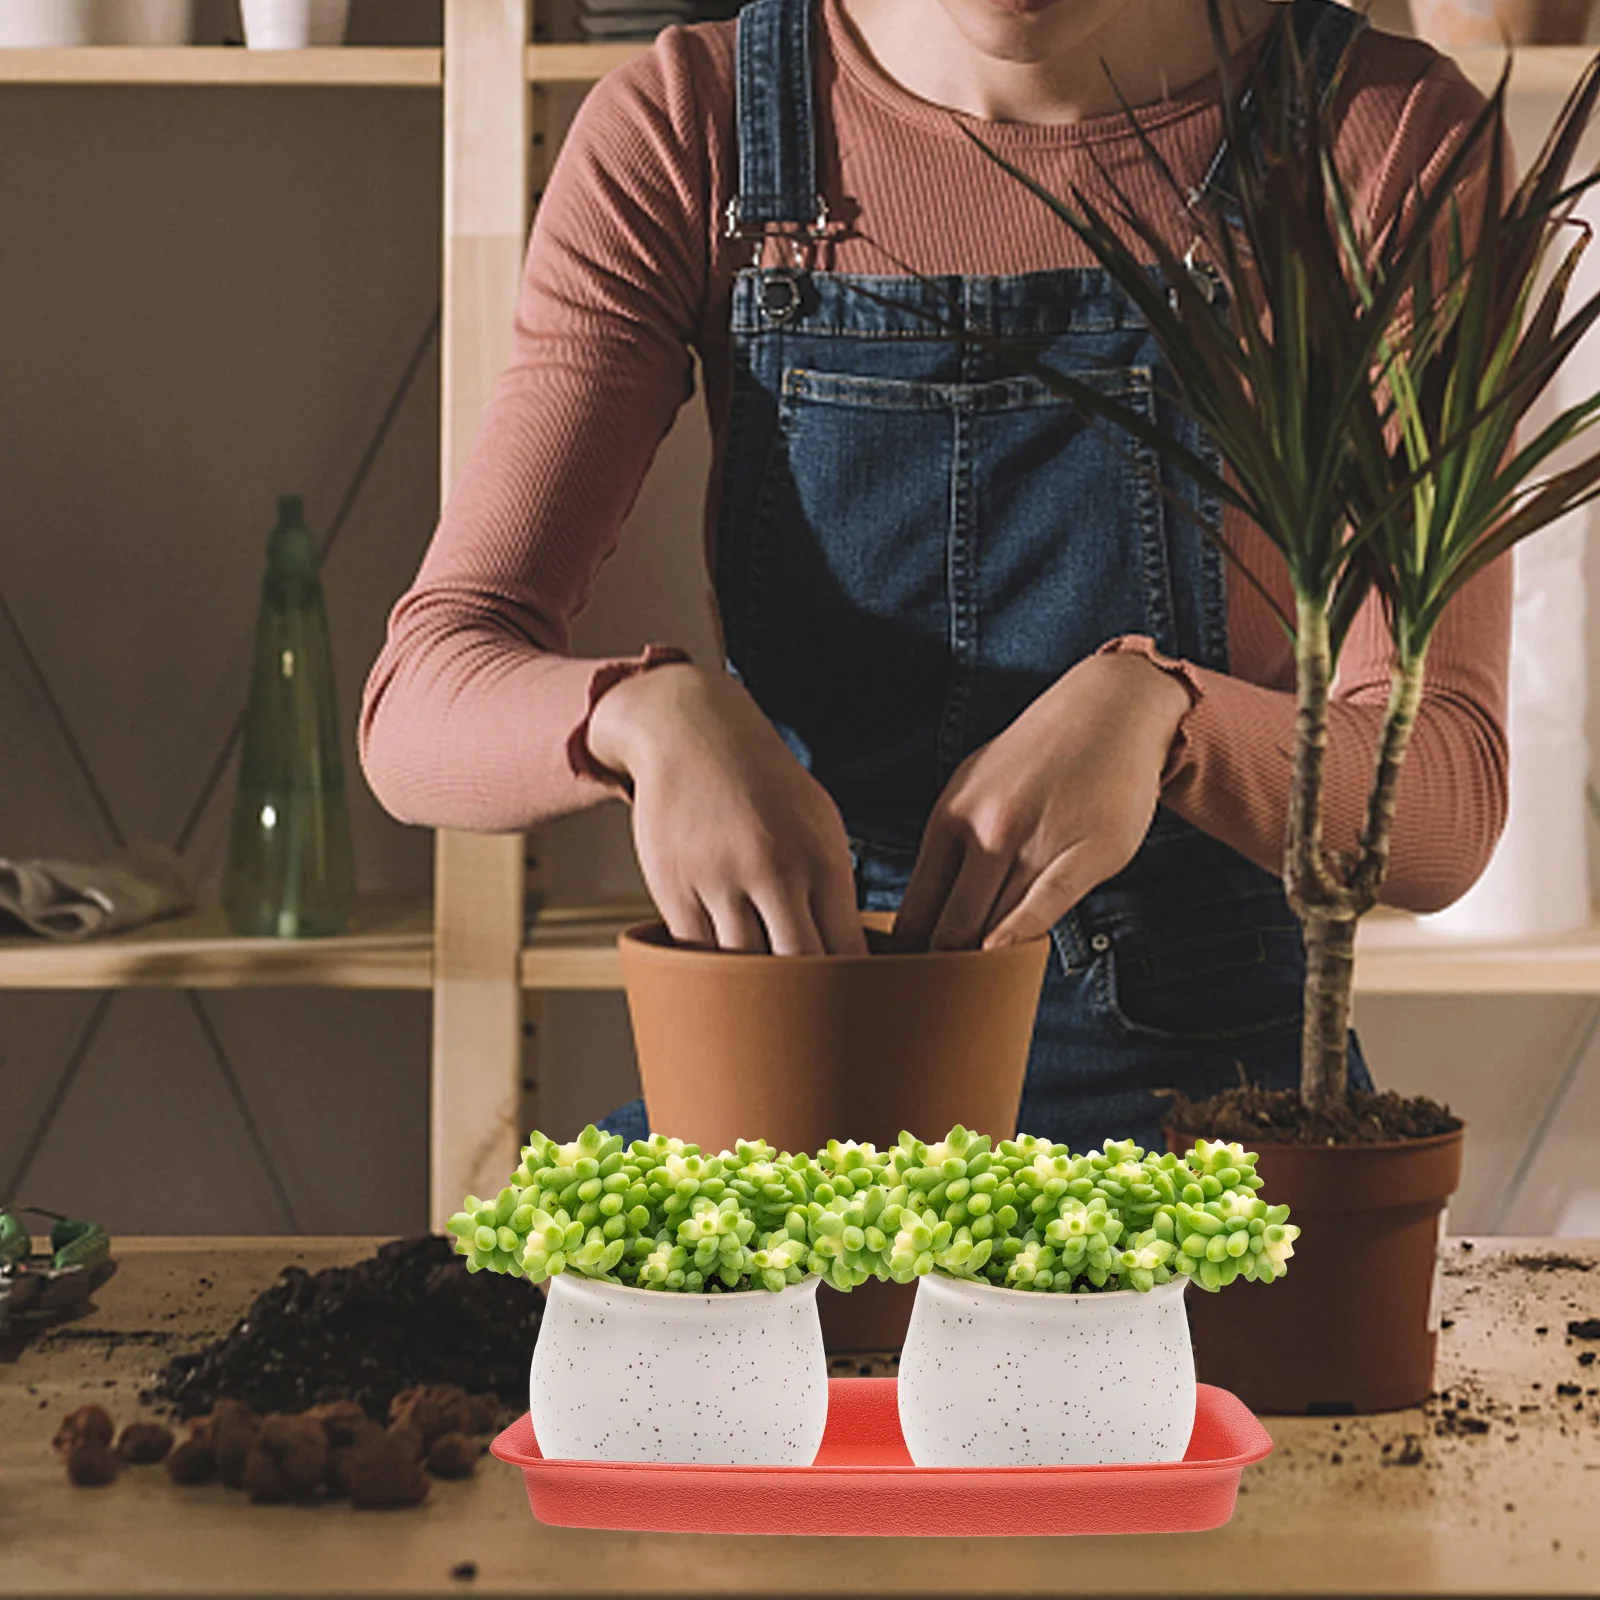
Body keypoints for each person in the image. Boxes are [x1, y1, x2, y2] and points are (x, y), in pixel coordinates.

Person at [361, 0, 1510, 1153]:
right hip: (805, 1071)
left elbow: (1444, 802)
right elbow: (419, 704)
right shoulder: (689, 130)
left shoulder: (1379, 140)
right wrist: (641, 716)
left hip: (1211, 1098)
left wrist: (1169, 718)